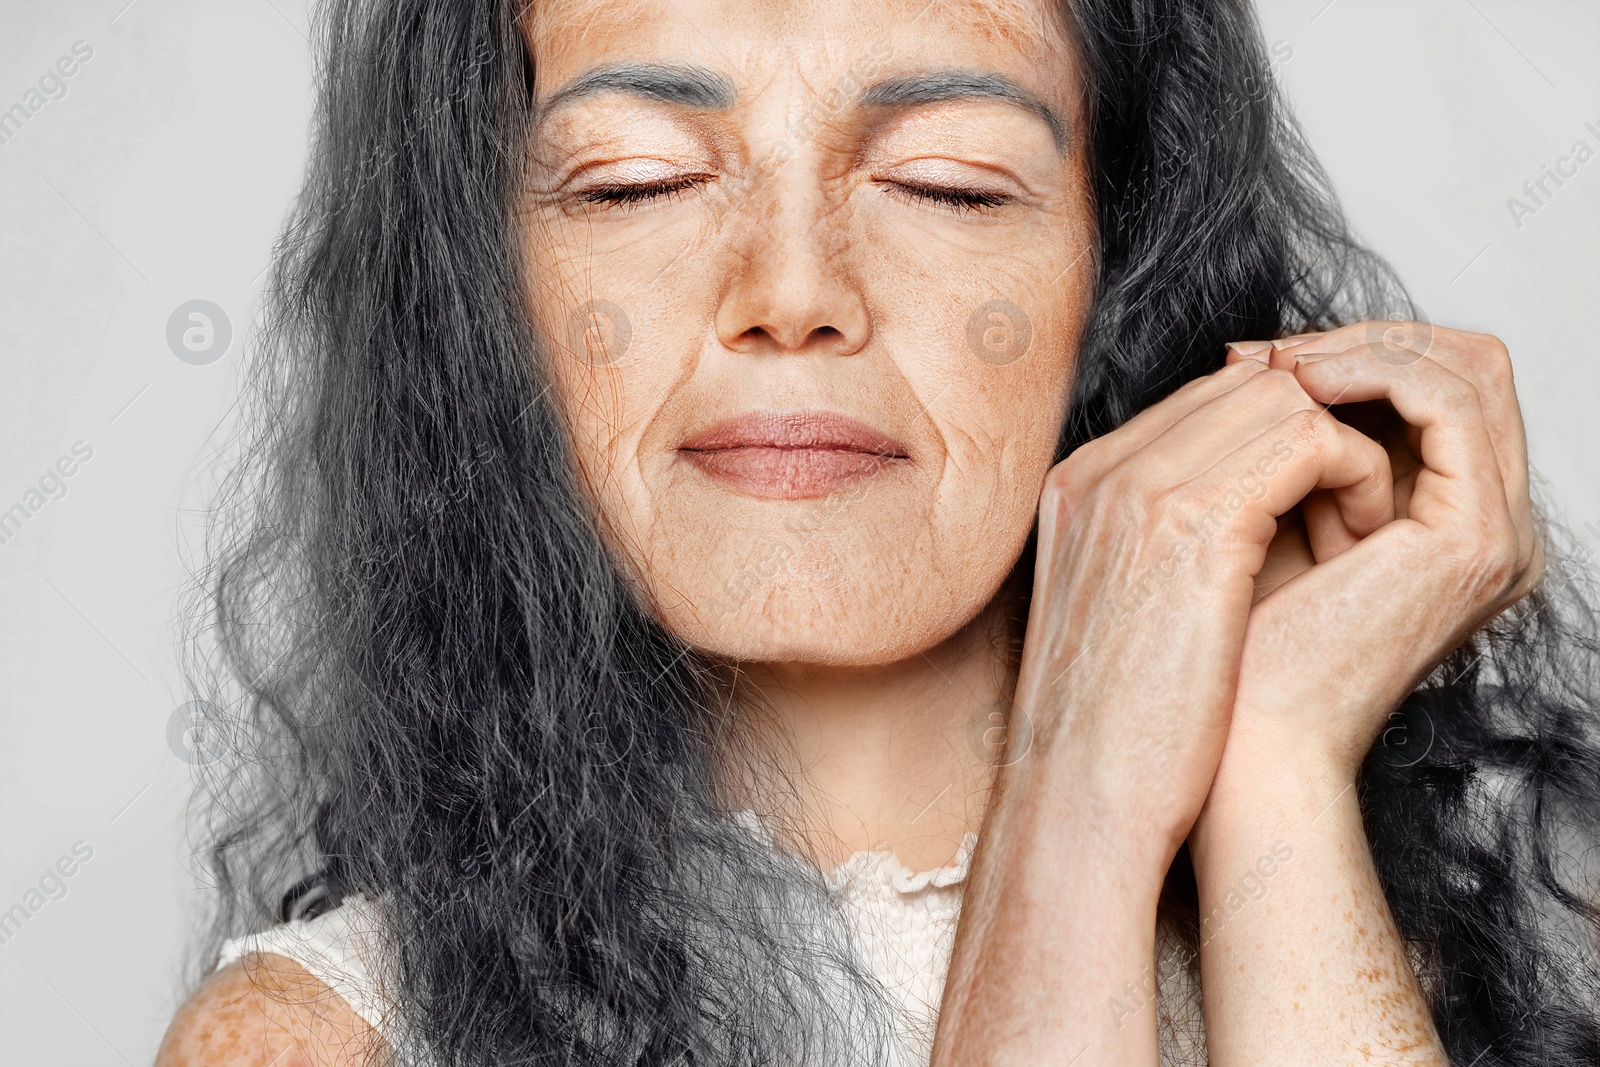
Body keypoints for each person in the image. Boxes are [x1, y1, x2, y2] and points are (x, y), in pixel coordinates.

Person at [156, 0, 1600, 1064]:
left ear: (1118, 273)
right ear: (489, 300)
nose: (792, 290)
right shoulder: (319, 1039)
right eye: (637, 181)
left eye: (948, 183)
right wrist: (1078, 798)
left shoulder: (1378, 982)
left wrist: (1276, 756)